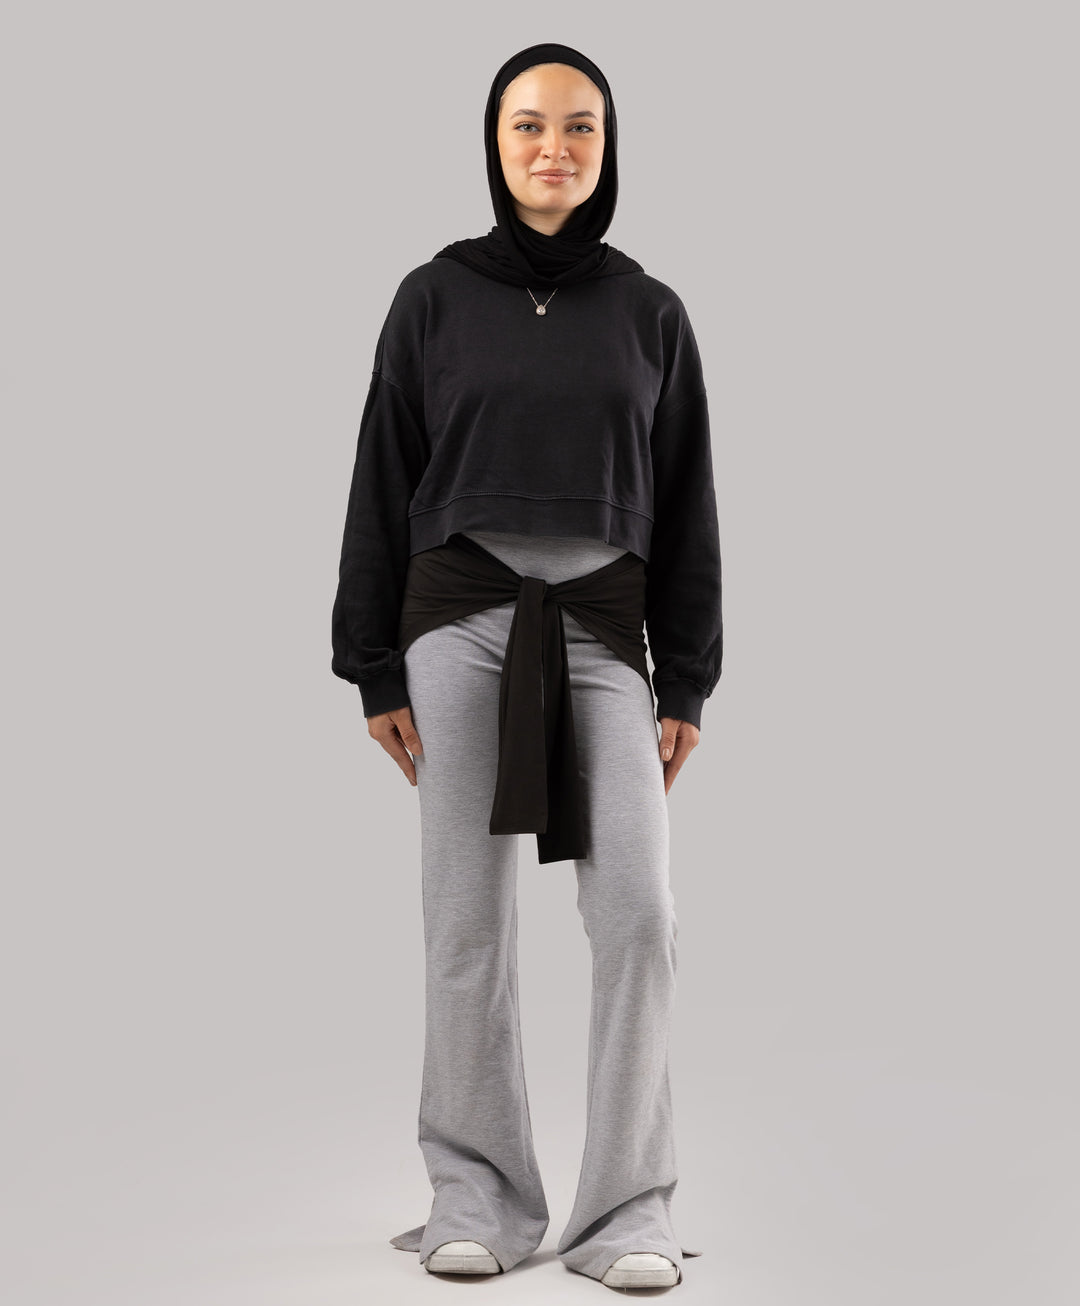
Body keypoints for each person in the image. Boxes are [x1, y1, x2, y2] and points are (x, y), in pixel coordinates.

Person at [330, 42, 722, 1291]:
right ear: (495, 144)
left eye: (580, 126)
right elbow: (383, 476)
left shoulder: (651, 311)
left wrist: (686, 677)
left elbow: (690, 499)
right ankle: (478, 1195)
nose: (555, 146)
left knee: (640, 912)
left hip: (603, 628)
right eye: (529, 125)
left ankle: (627, 1210)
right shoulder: (431, 298)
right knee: (466, 916)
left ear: (609, 146)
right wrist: (373, 664)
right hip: (458, 617)